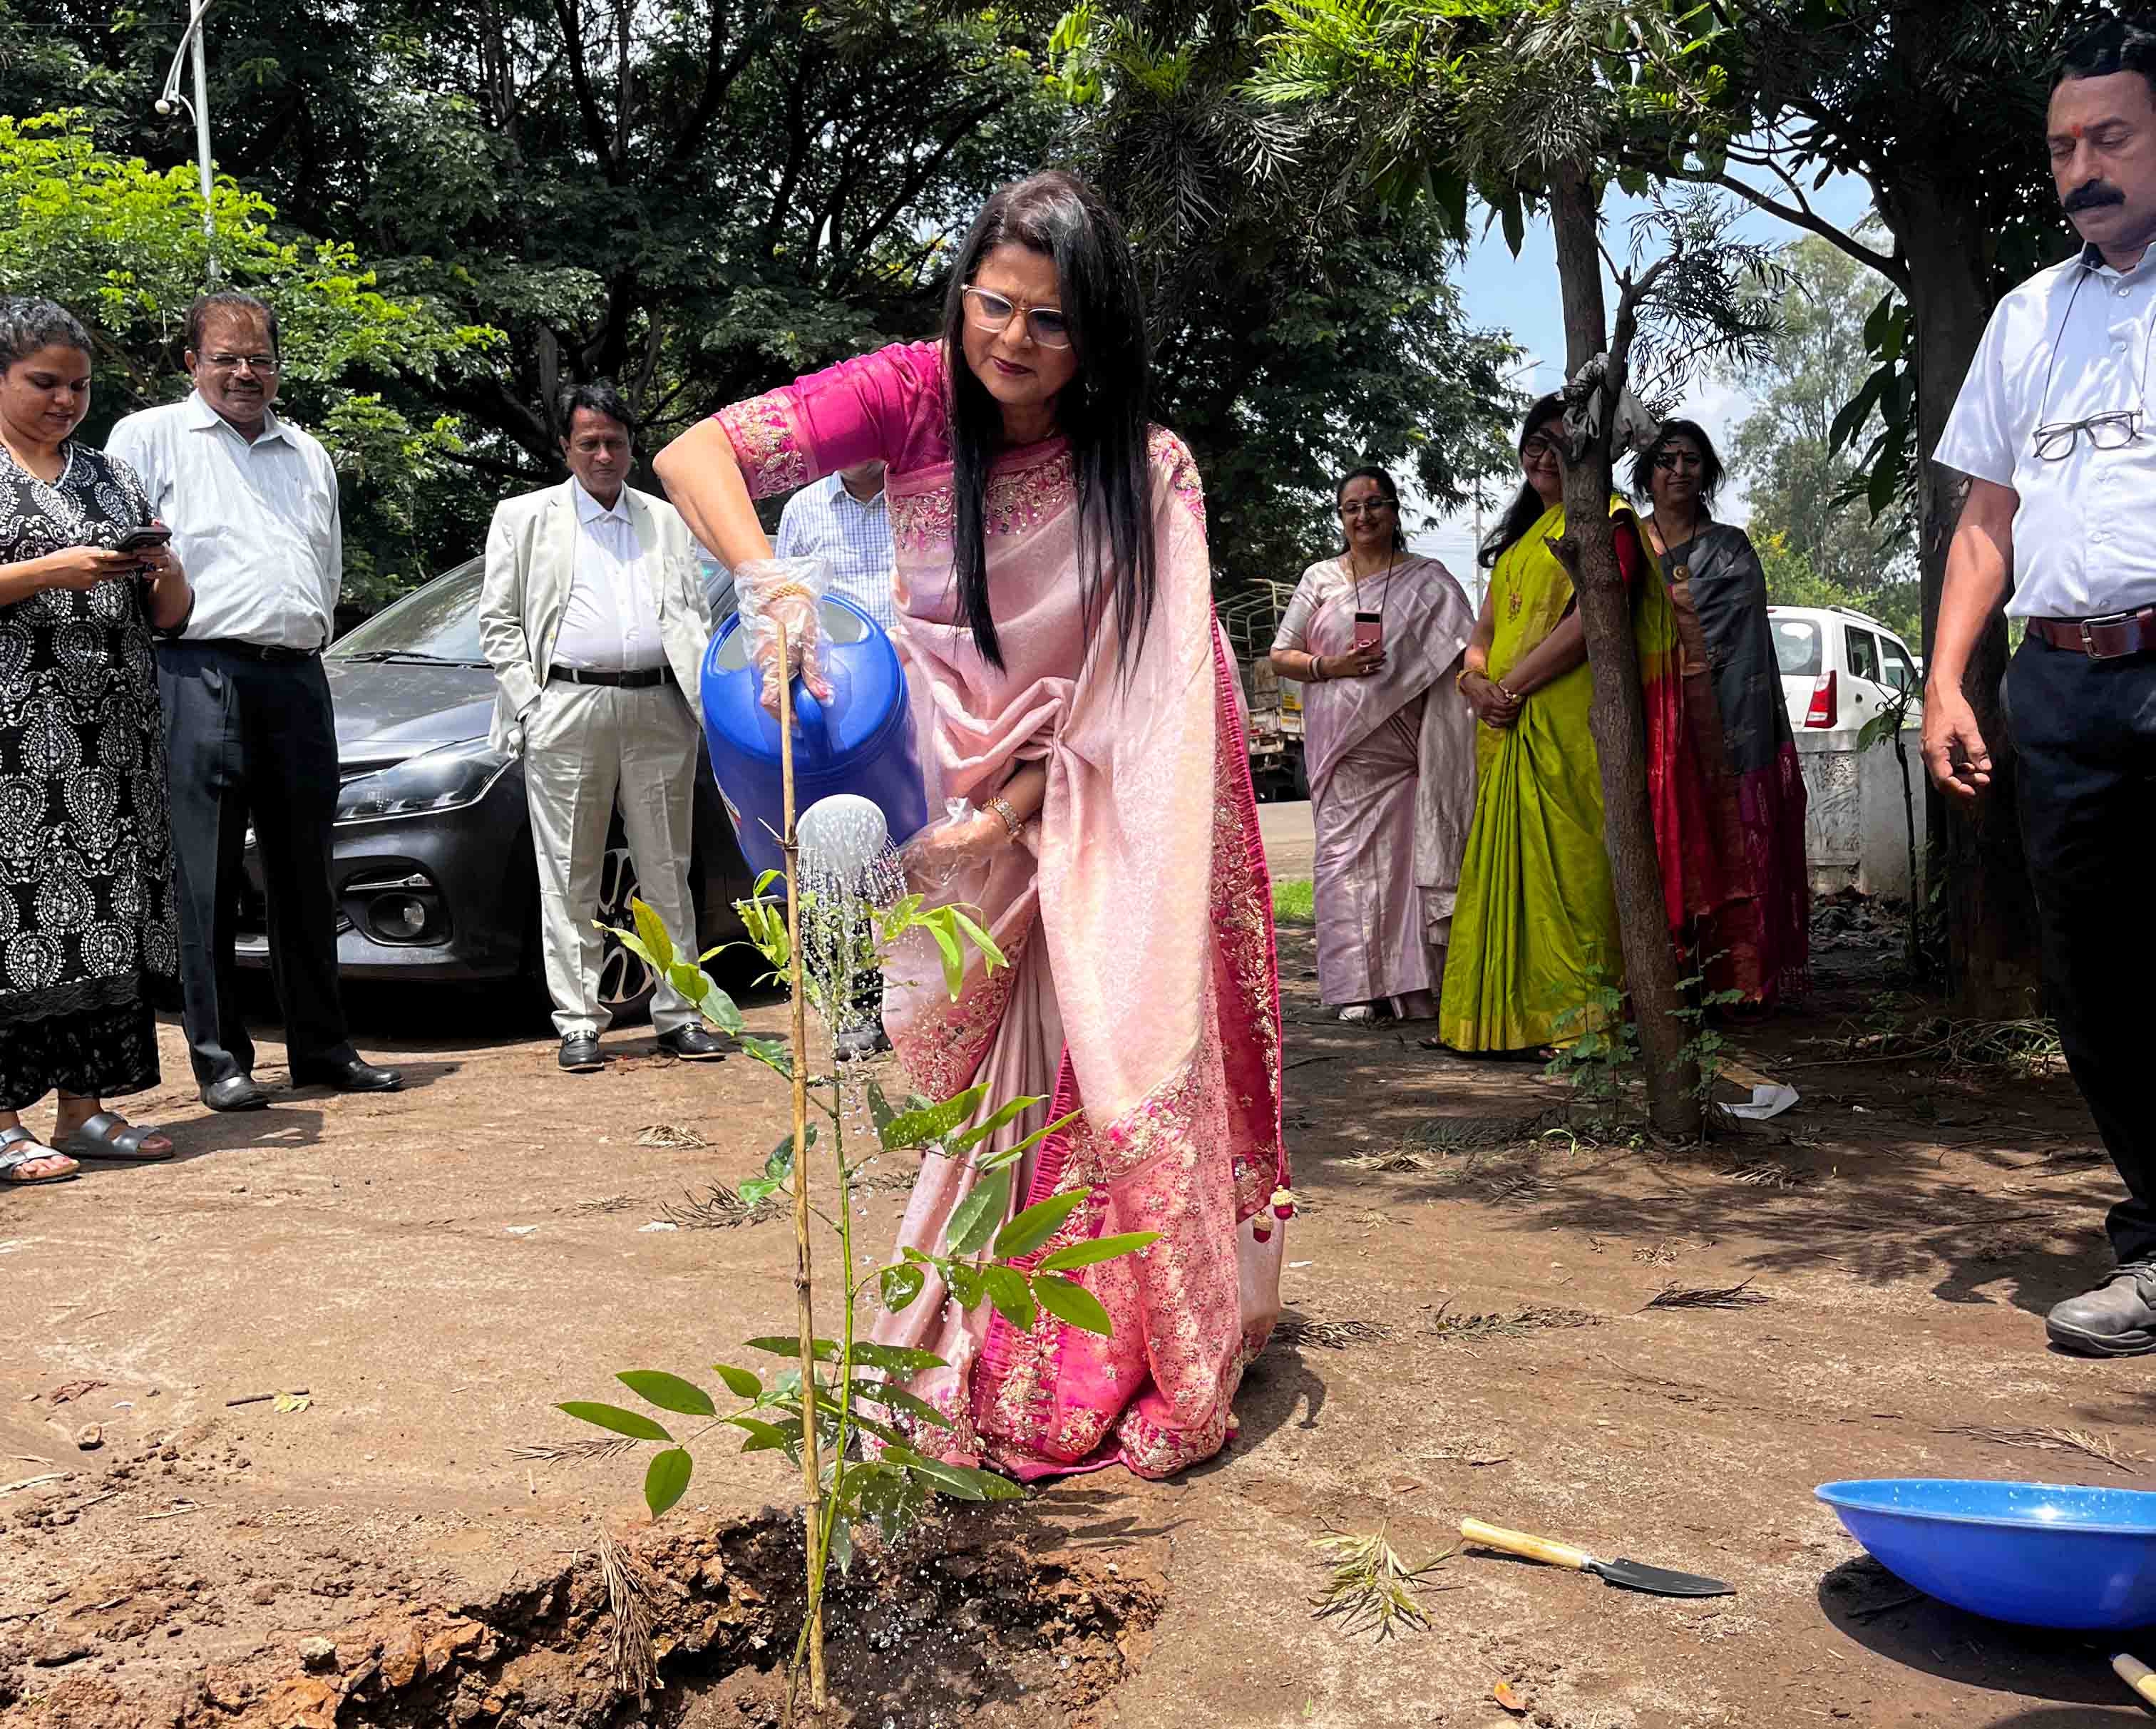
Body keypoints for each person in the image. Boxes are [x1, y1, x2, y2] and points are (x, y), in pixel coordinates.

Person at [655, 170, 1288, 1480]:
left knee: (1094, 1061)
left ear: (1093, 335)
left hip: (1082, 819)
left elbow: (1134, 703)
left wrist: (1010, 814)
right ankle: (964, 1318)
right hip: (929, 790)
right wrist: (766, 578)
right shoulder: (909, 391)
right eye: (991, 304)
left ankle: (1107, 1339)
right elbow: (694, 455)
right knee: (970, 1090)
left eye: (1048, 322)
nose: (1011, 339)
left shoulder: (1146, 470)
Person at [1926, 11, 2156, 1356]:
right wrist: (1947, 680)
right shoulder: (2024, 318)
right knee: (2095, 977)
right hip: (2058, 692)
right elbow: (1981, 524)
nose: (2080, 165)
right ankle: (2155, 1246)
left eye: (2109, 136)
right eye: (2062, 142)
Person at [107, 291, 401, 1112]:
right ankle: (220, 1057)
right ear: (192, 363)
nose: (245, 373)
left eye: (260, 358)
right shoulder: (150, 437)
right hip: (197, 671)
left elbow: (327, 566)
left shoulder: (308, 452)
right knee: (205, 874)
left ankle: (322, 1048)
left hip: (298, 676)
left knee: (306, 869)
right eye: (226, 358)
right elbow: (129, 559)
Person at [1438, 394, 1718, 1055]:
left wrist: (1510, 684)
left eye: (1560, 444)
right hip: (1506, 724)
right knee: (1513, 875)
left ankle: (1580, 1023)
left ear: (1589, 454)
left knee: (1576, 869)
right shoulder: (1516, 543)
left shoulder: (1611, 523)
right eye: (1534, 442)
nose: (1543, 456)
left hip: (1569, 727)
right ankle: (1506, 1021)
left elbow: (1596, 618)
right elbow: (1483, 632)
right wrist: (1474, 681)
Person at [478, 381, 727, 1074]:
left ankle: (679, 1012)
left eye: (615, 441)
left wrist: (692, 690)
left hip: (657, 707)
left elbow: (692, 613)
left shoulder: (666, 519)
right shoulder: (524, 518)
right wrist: (531, 701)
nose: (603, 454)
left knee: (667, 870)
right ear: (566, 447)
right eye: (588, 441)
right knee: (569, 872)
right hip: (567, 706)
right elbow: (497, 621)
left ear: (631, 444)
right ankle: (580, 1021)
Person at [0, 299, 194, 1186]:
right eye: (44, 382)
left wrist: (165, 568)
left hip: (110, 744)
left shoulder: (111, 475)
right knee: (14, 928)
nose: (64, 400)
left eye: (77, 385)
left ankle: (83, 1109)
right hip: (12, 745)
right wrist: (52, 569)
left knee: (104, 925)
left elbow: (171, 618)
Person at [1268, 466, 1476, 1024]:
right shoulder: (1322, 579)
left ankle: (1414, 986)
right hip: (1344, 752)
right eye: (1351, 507)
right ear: (1340, 518)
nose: (1364, 515)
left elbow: (1464, 653)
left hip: (1409, 750)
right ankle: (1356, 986)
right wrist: (1331, 665)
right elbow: (1281, 653)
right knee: (1342, 865)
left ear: (1395, 510)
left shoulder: (1430, 582)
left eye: (1375, 503)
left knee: (1409, 864)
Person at [1633, 420, 1809, 1007]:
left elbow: (1746, 637)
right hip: (1654, 724)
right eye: (1667, 459)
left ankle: (1737, 983)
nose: (1679, 470)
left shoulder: (1731, 548)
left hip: (1731, 723)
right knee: (1666, 838)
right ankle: (1668, 986)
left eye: (1691, 459)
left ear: (1706, 471)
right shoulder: (1629, 544)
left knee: (1731, 833)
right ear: (1647, 473)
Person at [774, 461, 899, 1060]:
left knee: (912, 852)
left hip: (916, 704)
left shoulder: (926, 494)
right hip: (833, 712)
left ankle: (919, 1007)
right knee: (832, 859)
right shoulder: (803, 511)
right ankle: (855, 1010)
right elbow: (778, 607)